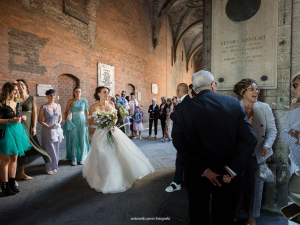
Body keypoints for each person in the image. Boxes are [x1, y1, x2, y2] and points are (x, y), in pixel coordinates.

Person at [171, 70, 257, 225]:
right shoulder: (232, 103)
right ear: (212, 85)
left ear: (195, 88)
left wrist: (203, 169)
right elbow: (250, 140)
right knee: (224, 217)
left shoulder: (182, 108)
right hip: (226, 175)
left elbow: (179, 142)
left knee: (198, 216)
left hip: (197, 175)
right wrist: (232, 169)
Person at [82, 86, 155, 193]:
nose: (107, 94)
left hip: (113, 130)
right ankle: (103, 178)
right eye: (105, 92)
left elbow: (115, 117)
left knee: (117, 152)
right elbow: (91, 122)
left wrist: (112, 123)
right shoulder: (94, 107)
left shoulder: (111, 104)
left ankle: (119, 176)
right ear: (99, 94)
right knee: (102, 153)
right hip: (101, 133)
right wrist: (102, 124)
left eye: (107, 92)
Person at [233, 79, 277, 225]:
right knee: (235, 184)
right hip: (238, 154)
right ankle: (235, 211)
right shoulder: (234, 107)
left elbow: (272, 130)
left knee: (256, 187)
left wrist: (267, 145)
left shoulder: (264, 108)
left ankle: (252, 217)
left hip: (258, 154)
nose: (256, 92)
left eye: (257, 89)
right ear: (242, 92)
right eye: (252, 89)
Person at [15, 79, 51, 180]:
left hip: (27, 126)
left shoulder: (32, 98)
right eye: (18, 85)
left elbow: (34, 113)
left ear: (26, 86)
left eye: (22, 84)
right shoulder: (15, 98)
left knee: (31, 147)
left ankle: (22, 172)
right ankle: (17, 173)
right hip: (16, 125)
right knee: (18, 149)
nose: (20, 86)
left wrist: (34, 126)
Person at [0, 82, 31, 196]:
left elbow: (17, 118)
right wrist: (10, 120)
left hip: (17, 132)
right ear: (7, 91)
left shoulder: (18, 103)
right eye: (14, 89)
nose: (17, 91)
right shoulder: (1, 104)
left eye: (17, 89)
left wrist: (22, 118)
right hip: (5, 132)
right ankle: (4, 185)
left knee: (14, 158)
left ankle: (12, 183)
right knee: (5, 161)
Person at [280, 74, 300, 225]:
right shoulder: (294, 110)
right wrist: (297, 139)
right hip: (297, 160)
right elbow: (283, 133)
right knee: (296, 199)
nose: (292, 89)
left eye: (296, 85)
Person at [165, 83, 189, 193]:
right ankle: (178, 181)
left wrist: (173, 114)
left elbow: (176, 117)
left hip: (184, 139)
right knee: (181, 160)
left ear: (178, 91)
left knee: (180, 160)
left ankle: (177, 182)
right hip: (187, 138)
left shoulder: (182, 104)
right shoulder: (189, 102)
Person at [63, 87, 89, 166]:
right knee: (74, 139)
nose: (78, 93)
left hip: (82, 121)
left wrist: (88, 121)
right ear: (73, 92)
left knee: (82, 139)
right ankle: (74, 158)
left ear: (81, 93)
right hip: (73, 121)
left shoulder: (84, 101)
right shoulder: (70, 101)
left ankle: (82, 158)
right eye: (76, 91)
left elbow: (87, 112)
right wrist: (66, 119)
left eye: (79, 91)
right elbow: (66, 111)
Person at [38, 89, 62, 175]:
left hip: (56, 129)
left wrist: (58, 124)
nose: (52, 97)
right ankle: (48, 167)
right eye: (50, 95)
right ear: (47, 96)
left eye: (54, 95)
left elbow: (60, 117)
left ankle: (54, 166)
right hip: (47, 129)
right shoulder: (43, 107)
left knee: (56, 146)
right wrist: (49, 126)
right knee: (48, 148)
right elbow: (40, 120)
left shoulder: (58, 105)